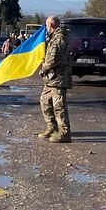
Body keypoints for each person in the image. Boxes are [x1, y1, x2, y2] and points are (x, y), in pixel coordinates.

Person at [37, 15, 73, 143]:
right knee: (45, 101)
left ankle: (64, 133)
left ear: (51, 25)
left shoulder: (59, 38)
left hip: (58, 78)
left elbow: (53, 58)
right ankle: (51, 126)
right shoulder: (55, 37)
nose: (46, 28)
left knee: (59, 105)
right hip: (52, 79)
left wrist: (44, 69)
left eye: (46, 26)